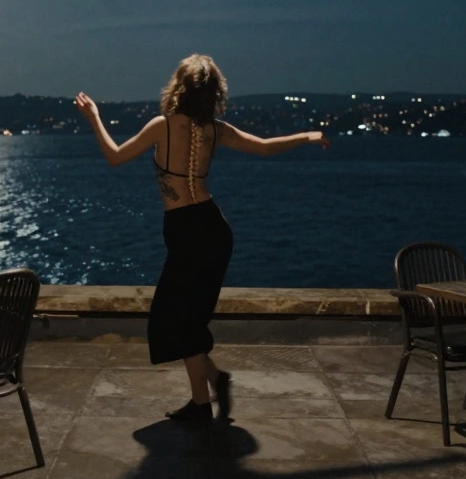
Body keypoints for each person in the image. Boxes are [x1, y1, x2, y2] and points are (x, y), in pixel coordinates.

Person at [75, 54, 329, 421]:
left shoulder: (162, 126)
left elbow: (115, 157)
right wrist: (307, 136)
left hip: (186, 230)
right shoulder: (216, 129)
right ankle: (208, 389)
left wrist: (94, 117)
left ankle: (205, 397)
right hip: (214, 229)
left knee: (175, 320)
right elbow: (264, 147)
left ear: (178, 88)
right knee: (187, 320)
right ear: (213, 93)